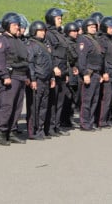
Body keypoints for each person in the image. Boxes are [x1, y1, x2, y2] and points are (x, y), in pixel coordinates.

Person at [0, 12, 29, 145]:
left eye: (18, 25)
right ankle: (1, 133)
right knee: (6, 106)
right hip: (10, 77)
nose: (16, 27)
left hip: (20, 76)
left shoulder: (18, 40)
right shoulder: (2, 40)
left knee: (17, 106)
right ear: (7, 25)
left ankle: (12, 131)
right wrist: (4, 75)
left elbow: (24, 59)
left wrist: (27, 76)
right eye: (14, 25)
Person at [26, 21, 55, 140]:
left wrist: (52, 77)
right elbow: (30, 64)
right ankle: (33, 131)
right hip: (37, 79)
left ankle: (40, 129)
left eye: (44, 30)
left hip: (46, 79)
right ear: (34, 31)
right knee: (35, 107)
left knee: (43, 106)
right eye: (41, 30)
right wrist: (32, 79)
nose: (43, 33)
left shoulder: (45, 45)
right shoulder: (31, 45)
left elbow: (50, 63)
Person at [44, 8, 70, 136]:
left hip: (62, 71)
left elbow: (65, 54)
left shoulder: (60, 34)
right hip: (54, 71)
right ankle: (49, 127)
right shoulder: (48, 34)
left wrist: (66, 73)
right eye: (58, 18)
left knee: (60, 101)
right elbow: (49, 52)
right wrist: (54, 67)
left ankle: (56, 126)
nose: (61, 20)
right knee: (52, 101)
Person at [77, 18, 105, 131]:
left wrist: (101, 73)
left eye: (94, 26)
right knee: (87, 100)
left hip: (97, 73)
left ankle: (91, 122)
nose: (93, 28)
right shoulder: (83, 40)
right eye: (91, 26)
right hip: (89, 73)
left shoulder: (95, 40)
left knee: (94, 100)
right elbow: (82, 59)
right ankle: (85, 123)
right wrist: (85, 74)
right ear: (86, 28)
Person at [96, 16, 112, 128]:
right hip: (107, 71)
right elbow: (102, 58)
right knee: (106, 97)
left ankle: (106, 119)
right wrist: (104, 72)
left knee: (110, 96)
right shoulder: (102, 40)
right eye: (111, 27)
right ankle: (102, 121)